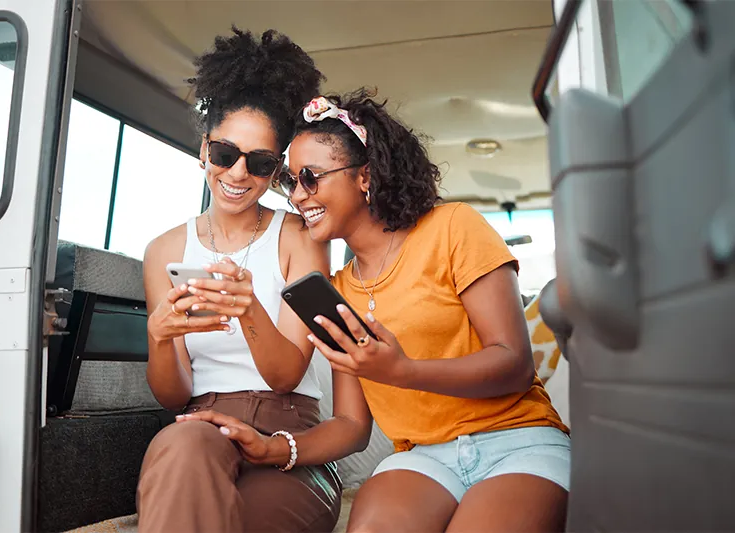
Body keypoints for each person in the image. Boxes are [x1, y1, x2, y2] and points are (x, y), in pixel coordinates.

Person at [181, 89, 571, 533]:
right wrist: (273, 448)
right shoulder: (335, 291)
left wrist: (402, 371)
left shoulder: (454, 227)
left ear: (365, 176)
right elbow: (351, 424)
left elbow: (514, 364)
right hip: (422, 456)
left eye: (310, 177)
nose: (297, 197)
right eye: (290, 182)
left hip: (519, 441)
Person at [136, 28, 347, 533]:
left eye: (260, 163)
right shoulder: (163, 250)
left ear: (276, 171)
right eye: (226, 153)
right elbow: (171, 395)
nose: (237, 174)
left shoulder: (301, 236)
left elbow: (285, 375)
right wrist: (161, 338)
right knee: (181, 446)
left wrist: (247, 307)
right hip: (200, 424)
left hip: (289, 429)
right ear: (204, 149)